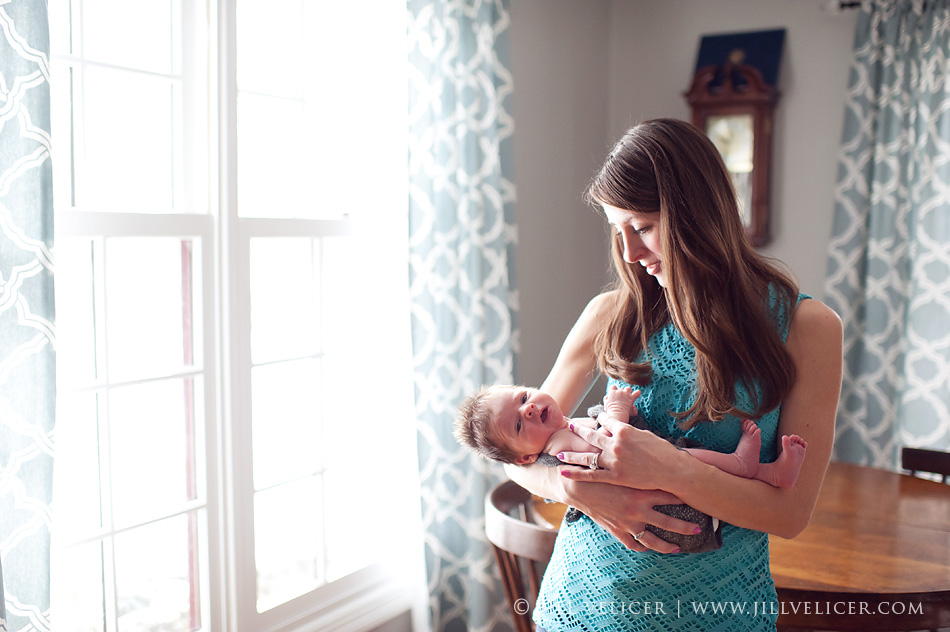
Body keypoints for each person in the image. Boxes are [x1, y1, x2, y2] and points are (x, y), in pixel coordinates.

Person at [502, 118, 843, 631]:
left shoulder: (806, 327)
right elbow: (516, 454)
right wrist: (569, 488)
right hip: (580, 607)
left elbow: (789, 514)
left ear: (698, 214)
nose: (630, 255)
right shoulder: (609, 314)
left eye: (640, 227)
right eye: (617, 231)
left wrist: (669, 469)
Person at [455, 383, 807, 488]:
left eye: (523, 398)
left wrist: (630, 415)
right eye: (518, 425)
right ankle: (744, 465)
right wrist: (619, 410)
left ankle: (769, 473)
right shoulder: (560, 446)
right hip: (656, 476)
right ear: (525, 458)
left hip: (652, 463)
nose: (528, 409)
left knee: (681, 456)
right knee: (685, 460)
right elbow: (612, 444)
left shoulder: (563, 427)